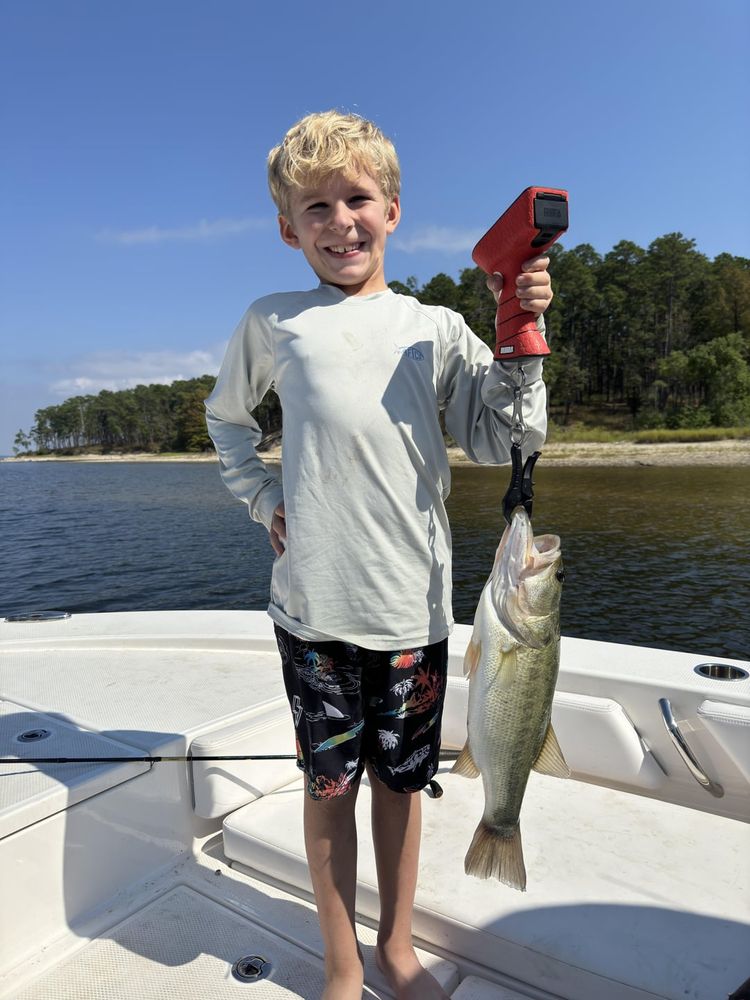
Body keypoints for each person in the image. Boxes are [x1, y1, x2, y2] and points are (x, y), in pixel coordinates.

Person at [205, 110, 553, 1000]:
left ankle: (396, 949)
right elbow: (227, 421)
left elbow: (504, 435)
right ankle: (339, 962)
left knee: (400, 789)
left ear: (392, 209)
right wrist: (265, 497)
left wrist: (521, 335)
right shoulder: (272, 321)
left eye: (357, 198)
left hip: (411, 612)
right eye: (314, 207)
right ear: (289, 228)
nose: (339, 221)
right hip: (313, 611)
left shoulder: (432, 327)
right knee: (330, 792)